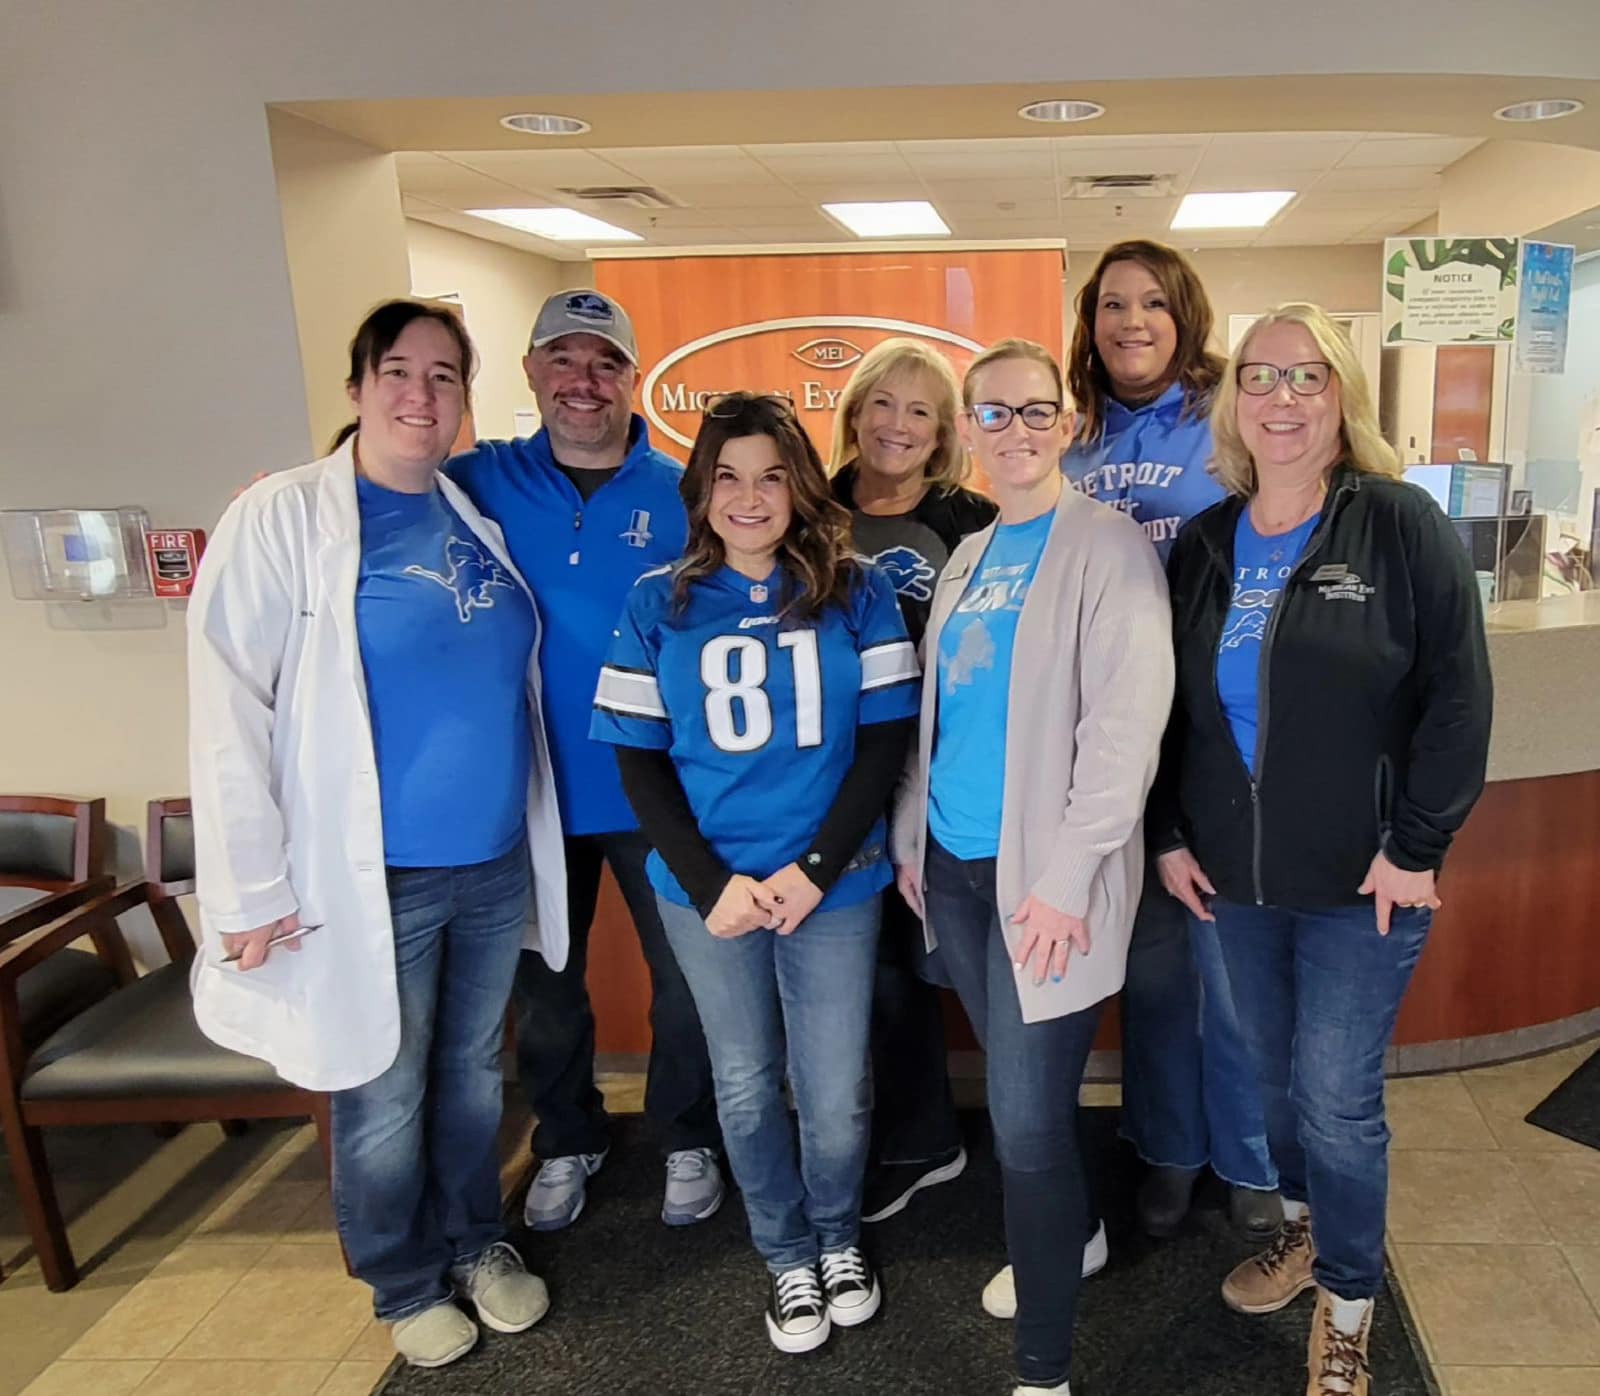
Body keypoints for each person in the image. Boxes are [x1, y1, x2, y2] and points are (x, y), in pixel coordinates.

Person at [188, 301, 566, 1368]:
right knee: (381, 1082)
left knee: (471, 1072)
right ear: (356, 388)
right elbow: (228, 709)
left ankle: (477, 1240)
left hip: (490, 862)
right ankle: (402, 1280)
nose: (419, 395)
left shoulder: (466, 515)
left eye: (444, 376)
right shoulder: (283, 517)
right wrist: (248, 891)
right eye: (396, 371)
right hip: (373, 876)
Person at [1153, 302, 1492, 1395]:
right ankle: (1303, 1232)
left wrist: (1416, 842)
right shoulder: (1207, 543)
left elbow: (1456, 696)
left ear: (1340, 393)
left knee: (1336, 1100)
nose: (1282, 397)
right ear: (1232, 402)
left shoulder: (1397, 523)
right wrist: (1166, 833)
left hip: (1364, 883)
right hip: (1235, 881)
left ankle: (1349, 1297)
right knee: (1265, 1088)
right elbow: (1166, 710)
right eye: (1260, 377)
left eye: (1306, 377)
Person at [592, 392, 919, 1355]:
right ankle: (784, 1257)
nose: (749, 495)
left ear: (801, 484)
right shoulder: (658, 600)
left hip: (835, 883)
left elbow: (885, 741)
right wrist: (708, 883)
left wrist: (818, 868)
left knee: (834, 1087)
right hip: (712, 891)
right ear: (702, 490)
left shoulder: (858, 591)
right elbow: (638, 758)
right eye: (728, 475)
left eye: (771, 474)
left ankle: (836, 1238)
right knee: (742, 1082)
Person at [893, 341, 1173, 1396]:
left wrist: (1062, 881)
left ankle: (1044, 1370)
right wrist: (914, 832)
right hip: (959, 876)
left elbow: (1123, 733)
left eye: (1034, 410)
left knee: (1023, 1124)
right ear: (968, 428)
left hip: (1043, 890)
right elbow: (943, 713)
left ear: (1065, 423)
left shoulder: (1106, 548)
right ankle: (1083, 1235)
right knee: (1032, 1117)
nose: (1014, 429)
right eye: (993, 412)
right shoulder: (971, 553)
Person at [445, 289, 725, 1231]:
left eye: (604, 362)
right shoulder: (476, 482)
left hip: (660, 788)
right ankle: (570, 1138)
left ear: (632, 379)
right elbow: (363, 487)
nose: (583, 381)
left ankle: (687, 1134)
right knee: (549, 992)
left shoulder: (688, 489)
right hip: (527, 792)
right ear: (529, 372)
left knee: (686, 983)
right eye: (562, 359)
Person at [1062, 239, 1281, 1241]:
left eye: (1152, 302)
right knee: (1153, 975)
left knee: (1230, 978)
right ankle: (1167, 1149)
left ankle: (1248, 1158)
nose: (1131, 321)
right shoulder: (1071, 436)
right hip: (1110, 745)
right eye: (1112, 304)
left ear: (1185, 315)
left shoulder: (1228, 423)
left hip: (1213, 742)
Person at [828, 337, 996, 1222]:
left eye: (920, 411)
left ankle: (925, 1140)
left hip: (927, 773)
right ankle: (866, 1135)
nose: (897, 425)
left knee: (908, 963)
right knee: (854, 968)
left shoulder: (970, 520)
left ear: (942, 436)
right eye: (882, 404)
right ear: (854, 413)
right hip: (823, 769)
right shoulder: (804, 506)